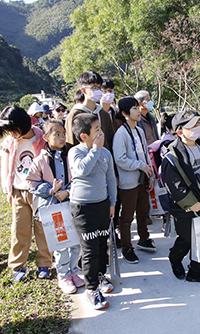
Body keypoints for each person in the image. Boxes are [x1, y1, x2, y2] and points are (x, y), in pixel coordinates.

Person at [161, 110, 200, 283]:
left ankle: (196, 271)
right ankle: (175, 258)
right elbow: (173, 184)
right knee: (187, 238)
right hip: (184, 206)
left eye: (198, 124)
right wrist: (190, 203)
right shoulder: (172, 156)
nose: (197, 128)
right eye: (192, 125)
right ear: (180, 132)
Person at [0, 106, 52, 283]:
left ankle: (44, 263)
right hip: (19, 191)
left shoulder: (41, 137)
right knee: (19, 229)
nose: (9, 133)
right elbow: (5, 166)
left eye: (11, 129)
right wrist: (7, 188)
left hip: (39, 191)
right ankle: (17, 265)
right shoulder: (10, 142)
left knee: (43, 229)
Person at [26, 119, 85, 294]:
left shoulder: (71, 155)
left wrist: (67, 192)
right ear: (45, 137)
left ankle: (74, 271)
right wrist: (51, 190)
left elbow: (79, 178)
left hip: (71, 205)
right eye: (56, 134)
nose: (61, 137)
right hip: (53, 209)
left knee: (75, 242)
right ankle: (63, 275)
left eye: (63, 134)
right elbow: (31, 183)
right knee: (60, 243)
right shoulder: (39, 161)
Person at [68, 112, 117, 310]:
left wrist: (112, 202)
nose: (101, 133)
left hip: (103, 205)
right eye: (96, 130)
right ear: (83, 136)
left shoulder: (105, 153)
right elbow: (81, 170)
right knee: (89, 249)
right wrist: (95, 150)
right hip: (83, 208)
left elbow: (111, 179)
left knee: (100, 245)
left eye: (100, 129)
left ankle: (99, 275)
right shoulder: (76, 152)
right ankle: (91, 289)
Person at [112, 97, 156, 264]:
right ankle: (127, 247)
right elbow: (120, 159)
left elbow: (146, 154)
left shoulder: (139, 130)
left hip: (142, 179)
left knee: (143, 212)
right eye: (134, 108)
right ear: (124, 114)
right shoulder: (121, 134)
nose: (138, 111)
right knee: (127, 217)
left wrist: (150, 175)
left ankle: (144, 238)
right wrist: (140, 166)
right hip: (129, 182)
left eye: (138, 107)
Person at [65, 71, 114, 152]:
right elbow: (71, 143)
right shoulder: (75, 114)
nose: (97, 91)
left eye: (99, 88)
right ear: (83, 90)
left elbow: (110, 140)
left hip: (104, 160)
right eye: (94, 87)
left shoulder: (103, 114)